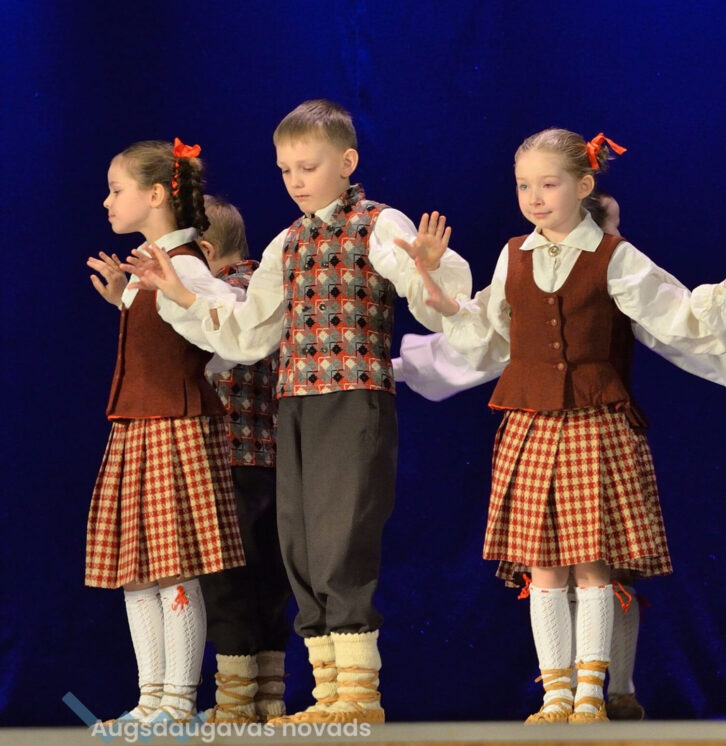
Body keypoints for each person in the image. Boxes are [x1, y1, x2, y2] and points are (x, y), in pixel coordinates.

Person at [125, 100, 468, 725]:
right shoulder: (288, 241)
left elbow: (433, 298)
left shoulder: (377, 223)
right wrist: (179, 295)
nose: (296, 181)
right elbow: (249, 333)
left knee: (342, 538)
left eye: (308, 167)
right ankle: (329, 692)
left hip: (353, 397)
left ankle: (358, 694)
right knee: (301, 544)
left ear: (347, 161)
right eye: (286, 170)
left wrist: (431, 268)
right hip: (295, 403)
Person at [406, 128, 726, 723]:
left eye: (548, 184)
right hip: (530, 422)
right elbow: (486, 332)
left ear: (583, 185)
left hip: (595, 422)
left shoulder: (613, 256)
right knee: (543, 564)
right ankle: (555, 693)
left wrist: (725, 290)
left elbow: (674, 317)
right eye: (524, 185)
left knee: (594, 559)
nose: (534, 197)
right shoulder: (513, 254)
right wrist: (438, 288)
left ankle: (593, 691)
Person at [87, 139, 245, 723]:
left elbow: (228, 323)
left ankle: (178, 700)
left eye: (117, 189)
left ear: (155, 195)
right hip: (139, 426)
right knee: (137, 571)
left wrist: (173, 291)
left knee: (173, 566)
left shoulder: (184, 265)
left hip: (175, 427)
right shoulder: (149, 268)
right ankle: (150, 696)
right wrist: (123, 301)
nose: (108, 202)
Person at [193, 195, 294, 723]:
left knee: (227, 580)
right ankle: (269, 695)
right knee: (271, 579)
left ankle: (234, 702)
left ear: (205, 252)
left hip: (226, 457)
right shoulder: (272, 290)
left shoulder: (213, 299)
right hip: (278, 462)